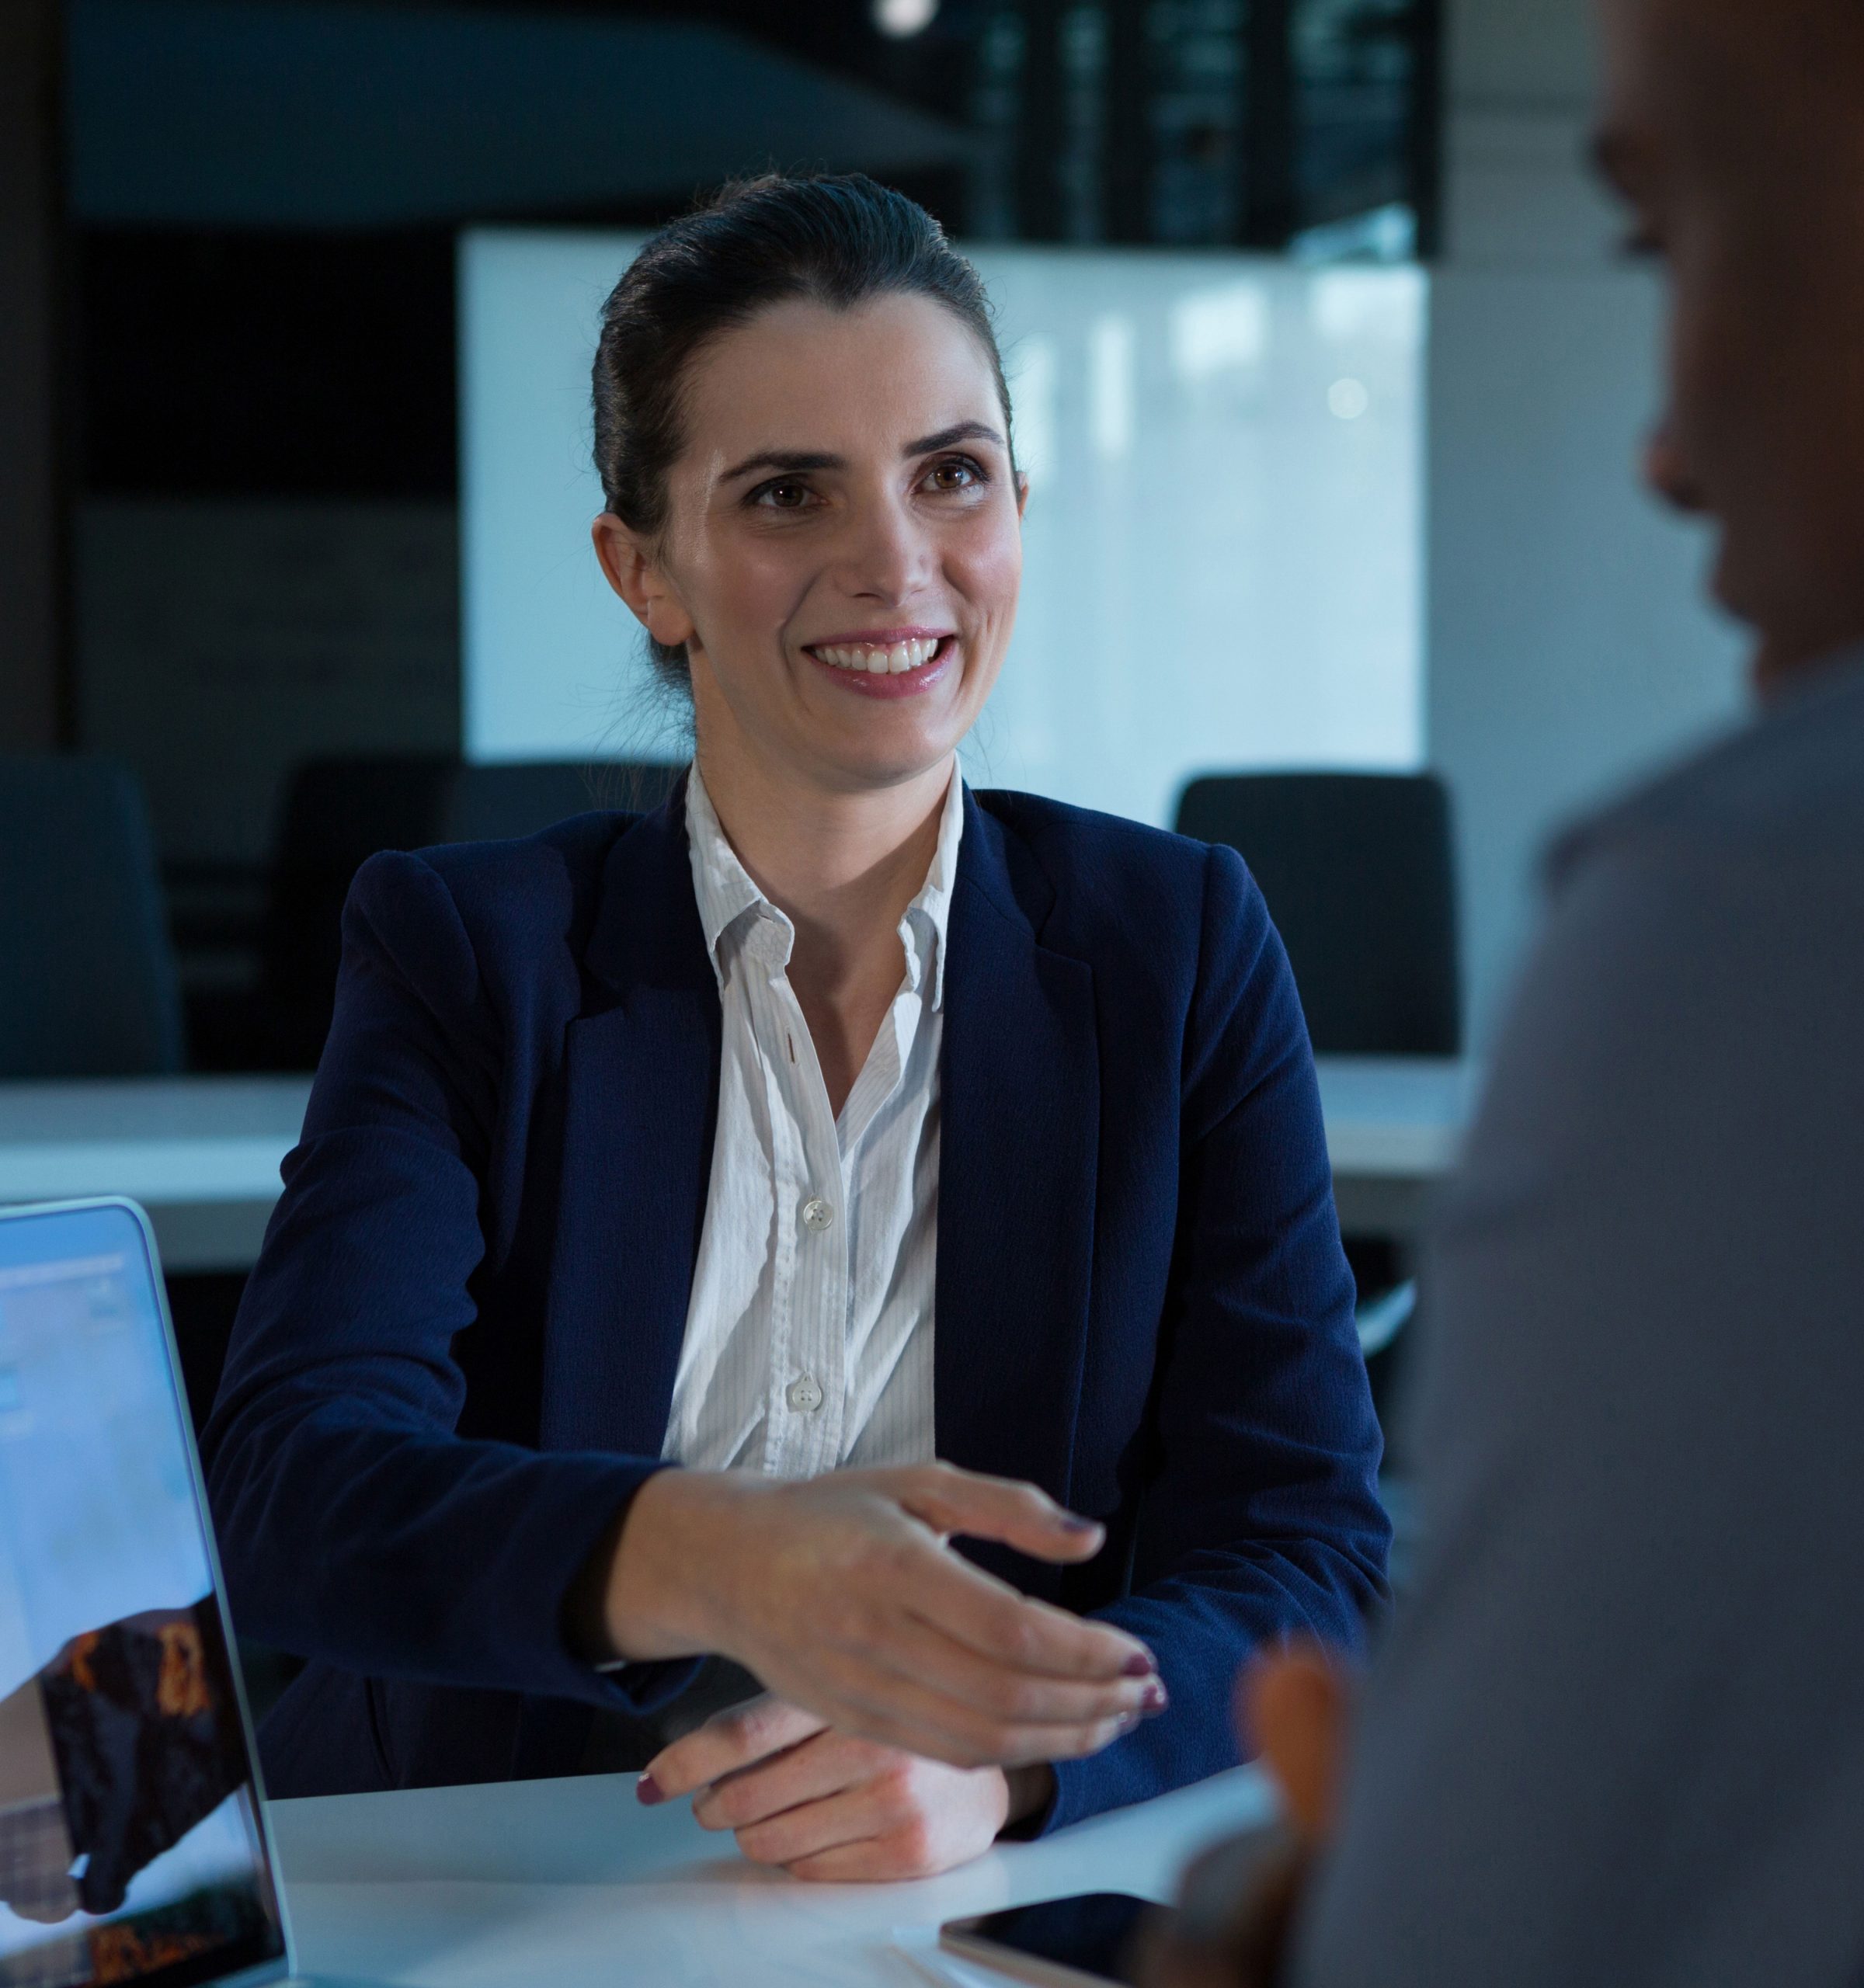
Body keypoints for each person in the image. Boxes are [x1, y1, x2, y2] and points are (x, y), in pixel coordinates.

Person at [202, 173, 1389, 1882]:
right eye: (785, 492)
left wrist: (1007, 1761)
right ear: (646, 569)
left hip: (959, 1886)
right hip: (488, 1872)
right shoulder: (472, 949)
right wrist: (706, 1554)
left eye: (952, 474)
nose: (895, 562)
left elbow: (1313, 1552)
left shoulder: (1178, 942)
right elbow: (295, 1489)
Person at [1151, 0, 1864, 1976]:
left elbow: (1308, 1554)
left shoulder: (1754, 924)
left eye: (1666, 239)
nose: (1659, 442)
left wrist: (1288, 1916)